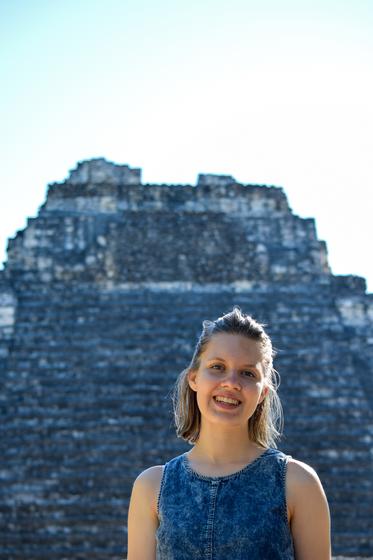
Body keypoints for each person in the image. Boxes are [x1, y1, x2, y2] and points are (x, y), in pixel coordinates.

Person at [127, 307, 331, 559]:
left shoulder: (299, 483)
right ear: (194, 379)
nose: (231, 382)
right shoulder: (151, 486)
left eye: (248, 373)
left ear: (262, 392)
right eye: (217, 367)